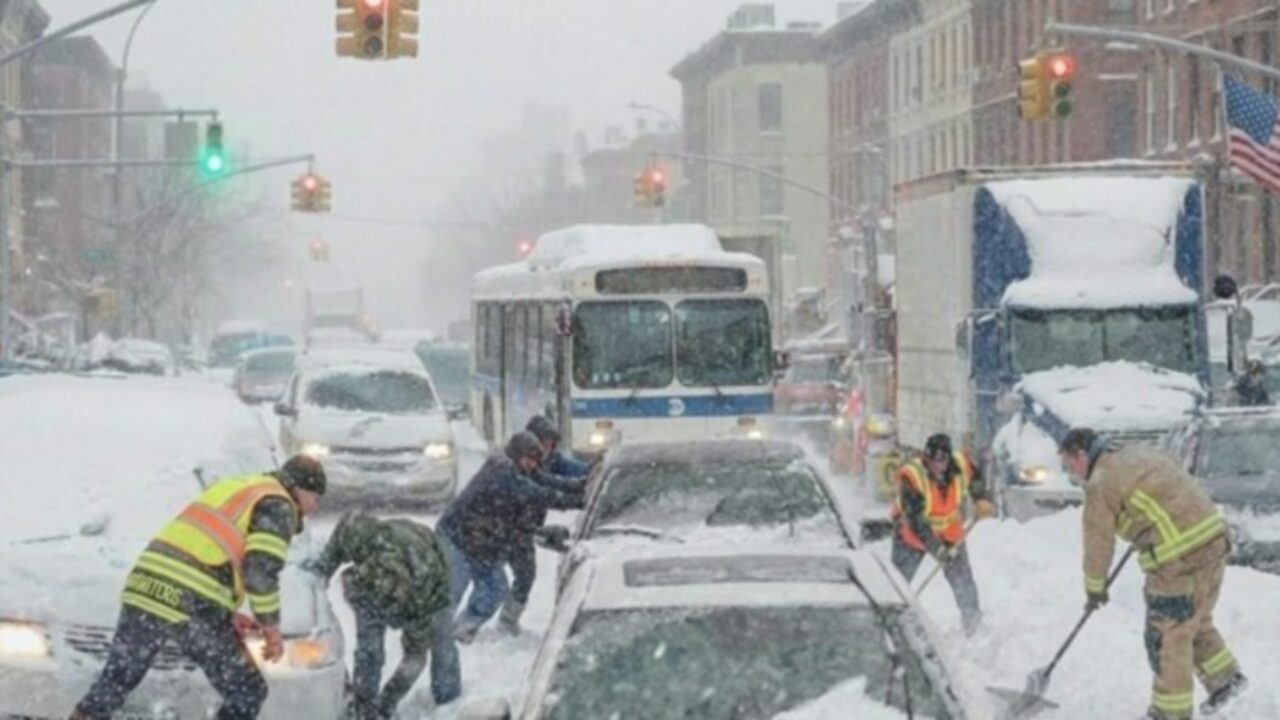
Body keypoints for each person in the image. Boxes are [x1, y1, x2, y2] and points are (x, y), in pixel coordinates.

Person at [72, 456, 327, 720]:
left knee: (115, 682)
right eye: (316, 499)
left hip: (145, 584)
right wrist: (270, 627)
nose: (314, 508)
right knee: (247, 691)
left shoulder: (239, 487)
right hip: (191, 600)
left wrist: (224, 612)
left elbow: (207, 546)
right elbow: (260, 571)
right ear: (301, 489)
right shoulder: (279, 504)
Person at [1059, 427, 1248, 720]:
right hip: (1214, 540)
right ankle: (1225, 679)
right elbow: (1168, 488)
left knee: (1167, 634)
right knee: (1193, 618)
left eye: (1070, 466)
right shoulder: (1138, 453)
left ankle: (1170, 712)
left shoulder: (1101, 483)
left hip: (1180, 559)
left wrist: (1094, 588)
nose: (1071, 474)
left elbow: (1098, 542)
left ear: (1082, 455)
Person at [305, 511, 458, 719]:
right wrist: (321, 572)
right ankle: (364, 706)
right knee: (369, 651)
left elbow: (415, 658)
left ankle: (448, 702)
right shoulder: (360, 535)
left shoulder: (420, 601)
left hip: (430, 578)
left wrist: (388, 699)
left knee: (441, 642)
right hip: (391, 571)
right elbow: (344, 531)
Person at [437, 431, 585, 643]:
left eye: (536, 461)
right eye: (529, 459)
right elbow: (538, 493)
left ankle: (462, 631)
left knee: (495, 588)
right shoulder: (502, 471)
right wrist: (579, 502)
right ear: (516, 454)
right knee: (453, 590)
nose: (532, 465)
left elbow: (545, 480)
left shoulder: (518, 470)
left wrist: (580, 486)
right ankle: (435, 635)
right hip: (456, 538)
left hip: (481, 542)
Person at [890, 433, 995, 636]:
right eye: (932, 460)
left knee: (963, 581)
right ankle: (890, 622)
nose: (937, 465)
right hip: (910, 536)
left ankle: (973, 625)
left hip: (949, 532)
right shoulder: (912, 477)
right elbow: (917, 522)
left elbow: (975, 478)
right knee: (897, 585)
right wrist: (937, 549)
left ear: (949, 459)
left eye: (942, 460)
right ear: (926, 457)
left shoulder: (961, 466)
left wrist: (981, 498)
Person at [500, 416, 591, 634]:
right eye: (544, 444)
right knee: (493, 583)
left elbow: (567, 475)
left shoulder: (548, 461)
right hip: (505, 527)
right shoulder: (512, 469)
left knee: (525, 574)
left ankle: (507, 619)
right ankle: (471, 625)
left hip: (525, 527)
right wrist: (575, 500)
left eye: (551, 445)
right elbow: (541, 492)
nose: (547, 450)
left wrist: (590, 475)